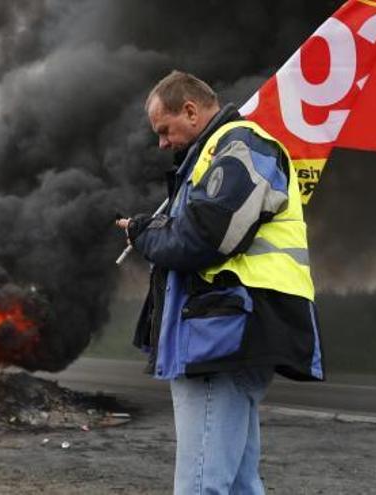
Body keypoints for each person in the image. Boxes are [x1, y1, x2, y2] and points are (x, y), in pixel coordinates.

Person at [116, 70, 324, 494]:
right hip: (222, 333)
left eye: (164, 129)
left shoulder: (242, 146)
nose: (161, 143)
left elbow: (208, 237)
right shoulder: (216, 154)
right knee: (239, 484)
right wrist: (154, 228)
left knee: (201, 485)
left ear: (191, 111)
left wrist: (145, 234)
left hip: (223, 335)